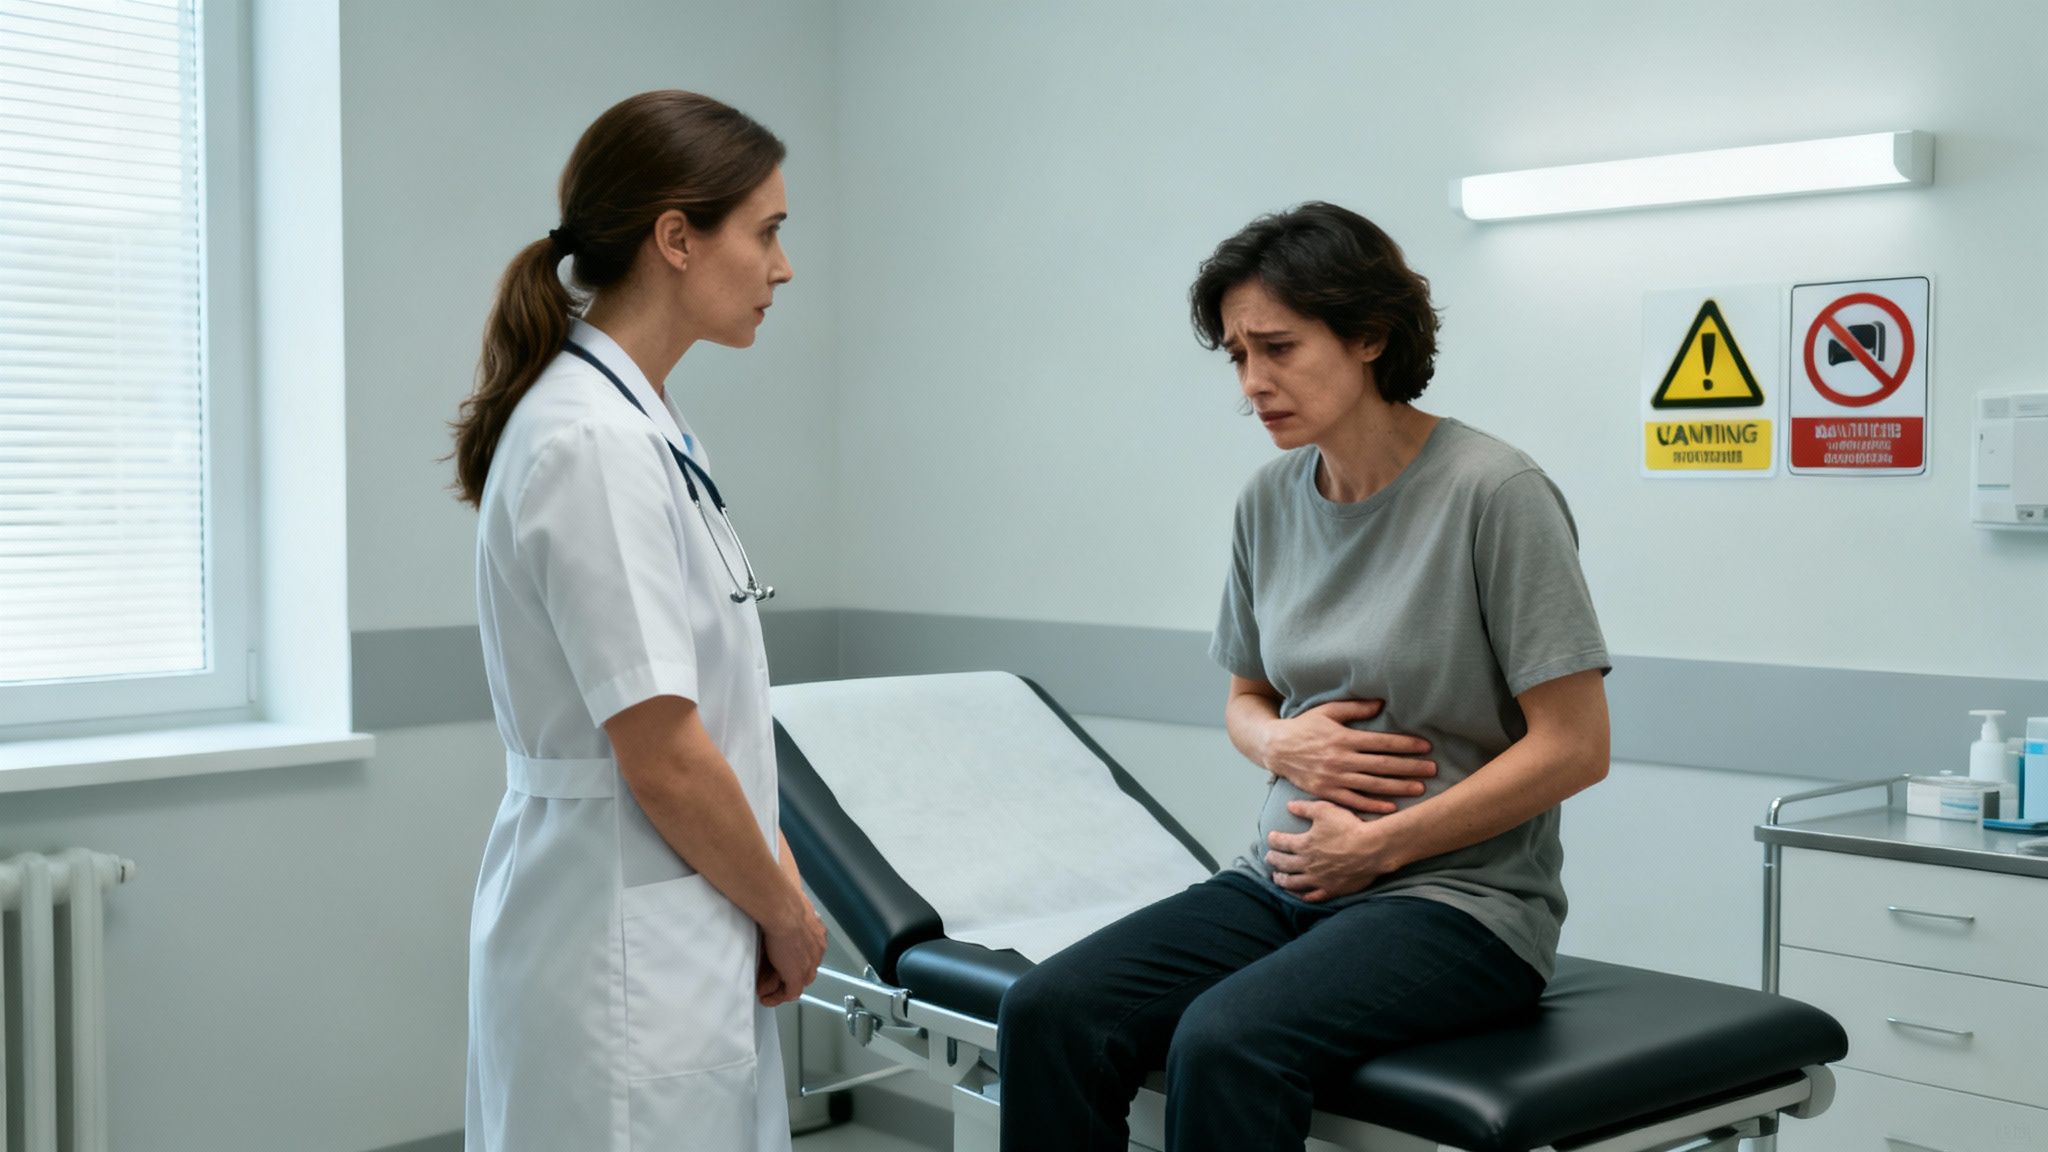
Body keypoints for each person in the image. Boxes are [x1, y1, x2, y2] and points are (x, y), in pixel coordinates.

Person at [996, 202, 1612, 1152]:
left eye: (1277, 348)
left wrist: (1381, 848)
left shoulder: (1495, 493)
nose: (1253, 383)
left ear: (1369, 335)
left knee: (1229, 1040)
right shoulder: (1268, 501)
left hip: (1460, 906)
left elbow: (1576, 748)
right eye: (1238, 356)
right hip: (1282, 882)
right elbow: (1246, 700)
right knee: (1048, 1010)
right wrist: (1279, 741)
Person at [450, 90, 824, 1152]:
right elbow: (660, 753)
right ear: (674, 237)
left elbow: (707, 722)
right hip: (615, 937)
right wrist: (791, 918)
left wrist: (772, 880)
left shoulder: (638, 429)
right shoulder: (594, 447)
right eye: (766, 233)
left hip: (660, 915)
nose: (781, 267)